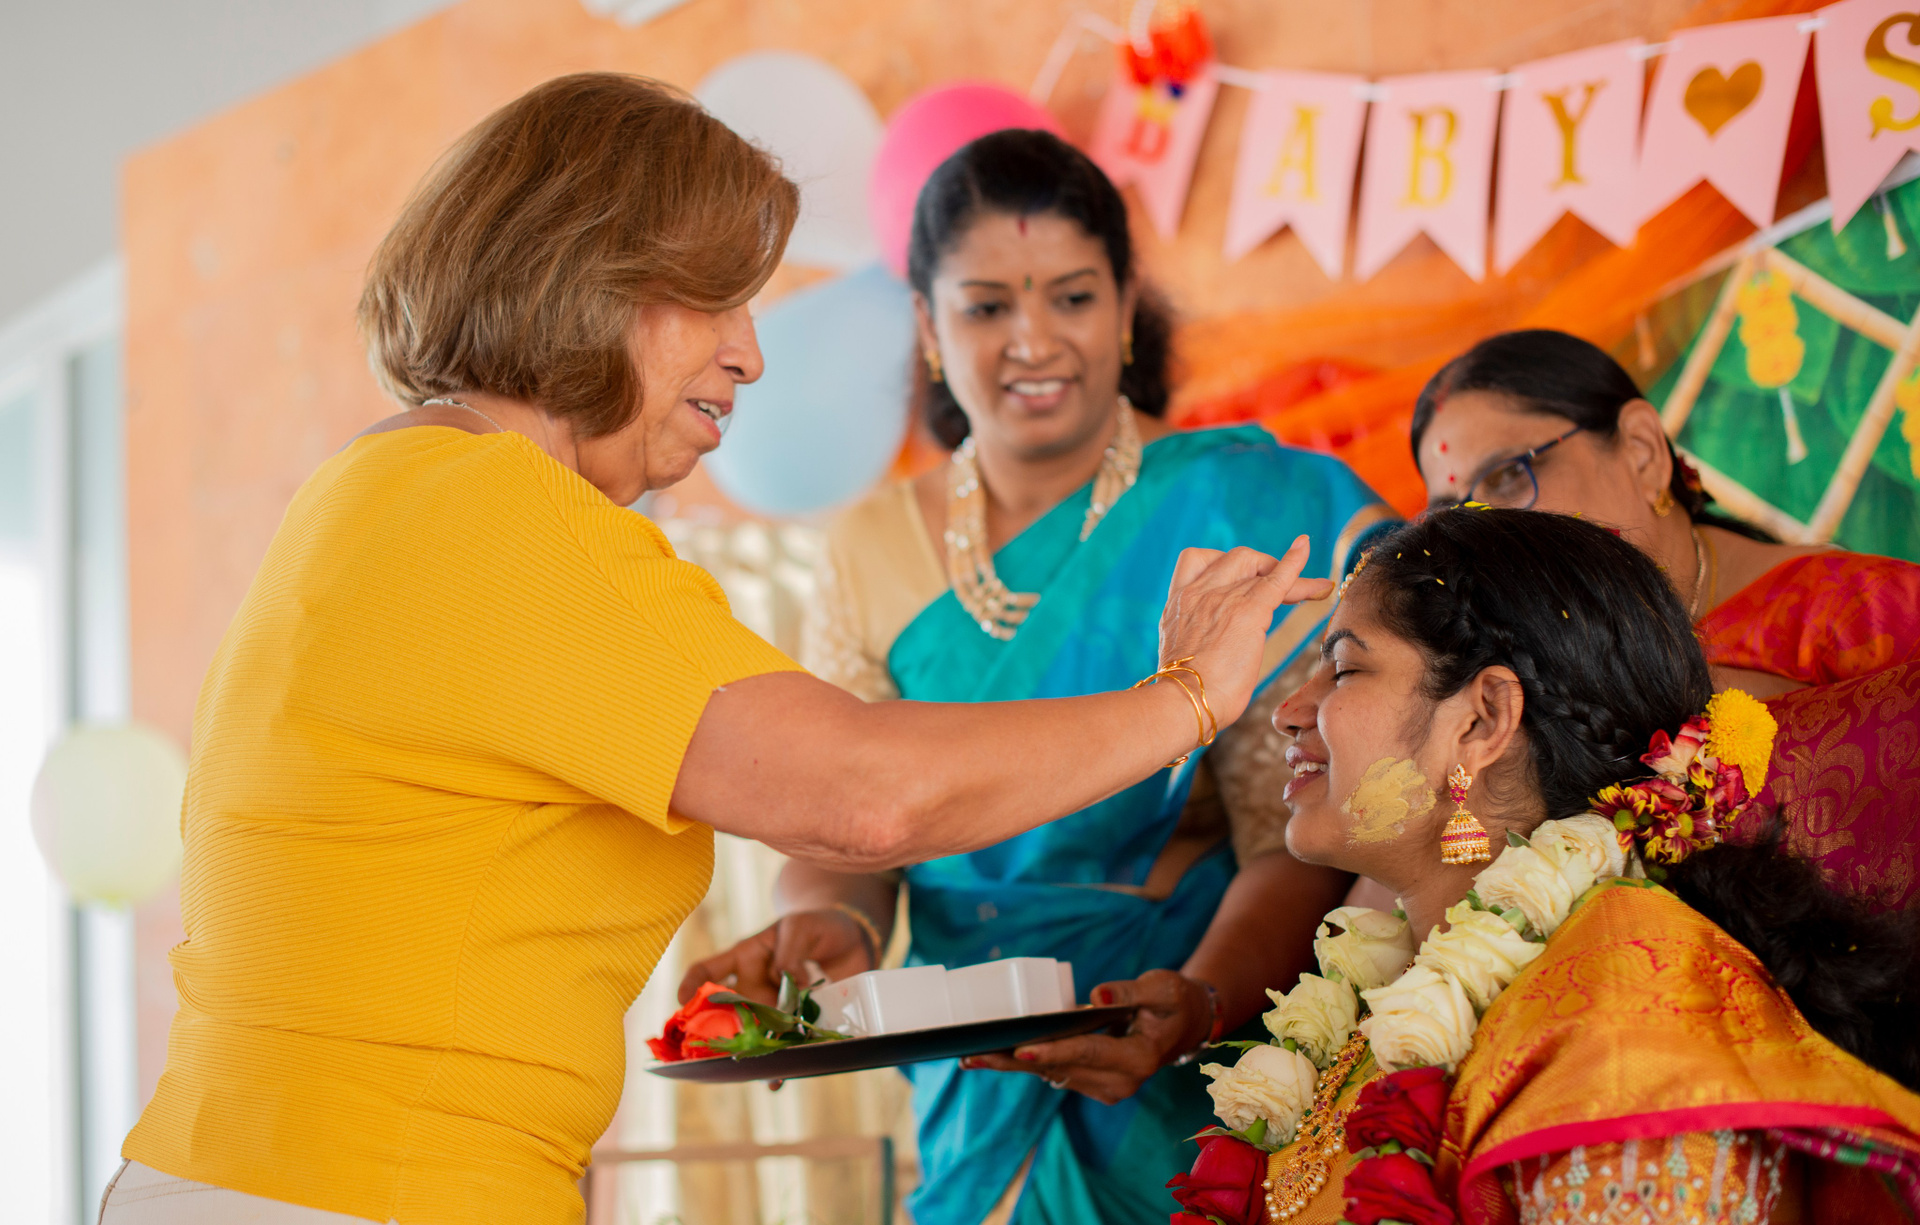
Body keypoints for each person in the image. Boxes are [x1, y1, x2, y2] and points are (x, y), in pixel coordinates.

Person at [103, 76, 1330, 1225]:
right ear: (583, 277)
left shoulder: (392, 488)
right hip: (356, 1186)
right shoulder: (497, 513)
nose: (751, 353)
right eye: (714, 300)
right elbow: (865, 797)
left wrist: (837, 936)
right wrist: (1184, 696)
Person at [683, 129, 1391, 1225]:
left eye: (1072, 297)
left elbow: (1300, 836)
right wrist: (838, 923)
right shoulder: (869, 546)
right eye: (985, 307)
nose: (1033, 341)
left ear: (1126, 306)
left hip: (1194, 1054)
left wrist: (1196, 1004)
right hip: (969, 1064)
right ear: (929, 327)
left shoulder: (1243, 510)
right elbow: (842, 819)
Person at [1169, 508, 1920, 1225]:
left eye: (1342, 670)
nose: (1288, 711)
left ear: (1483, 720)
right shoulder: (1395, 988)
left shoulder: (1632, 1035)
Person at [1409, 329, 1920, 911]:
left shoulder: (1866, 613)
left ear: (1641, 448)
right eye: (1458, 515)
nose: (1490, 532)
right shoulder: (1501, 683)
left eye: (1507, 475)